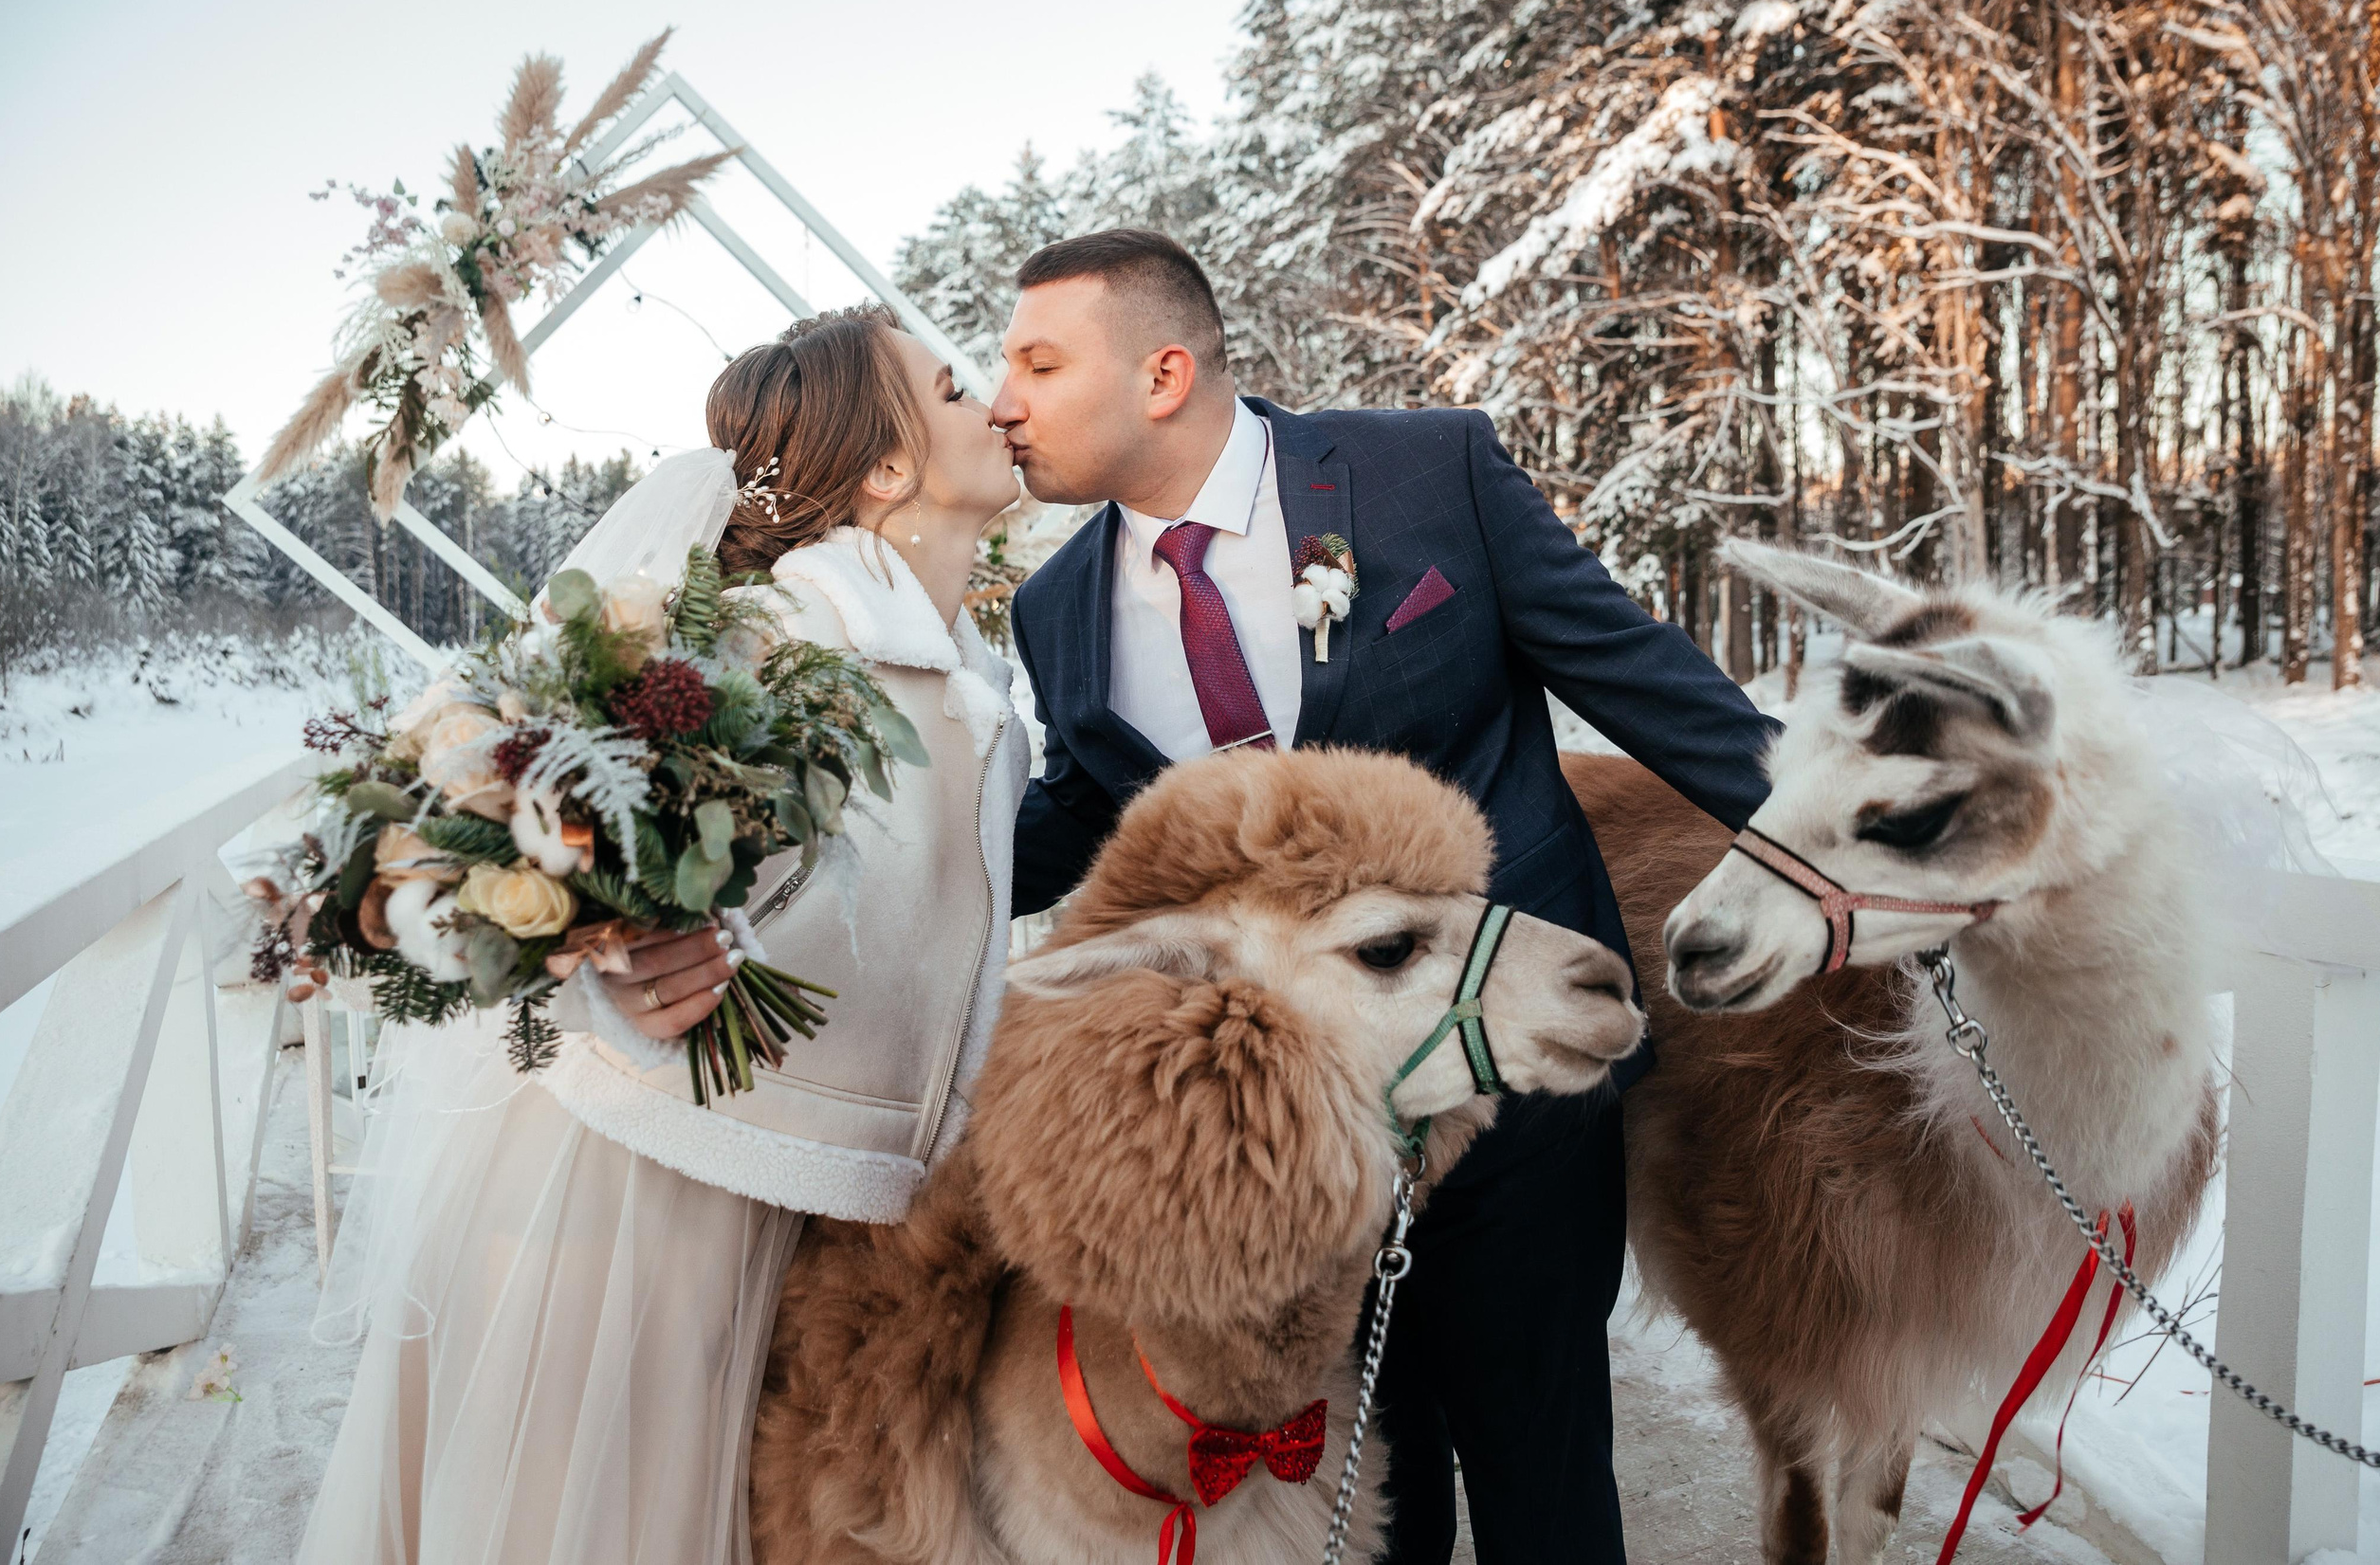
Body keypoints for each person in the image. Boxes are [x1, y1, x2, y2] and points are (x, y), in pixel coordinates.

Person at [997, 228, 1779, 1563]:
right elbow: (1087, 807)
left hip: (1513, 1072)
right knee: (1368, 1492)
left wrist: (1854, 847)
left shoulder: (1431, 475)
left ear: (1163, 372)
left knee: (1543, 1480)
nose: (1004, 399)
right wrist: (892, 892)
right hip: (1307, 1137)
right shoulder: (1057, 606)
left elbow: (1642, 681)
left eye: (1039, 362)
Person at [298, 302, 1029, 1565]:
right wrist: (608, 971)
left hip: (819, 1201)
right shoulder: (770, 636)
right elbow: (481, 831)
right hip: (649, 1191)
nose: (1000, 406)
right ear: (889, 469)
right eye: (959, 388)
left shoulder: (967, 671)